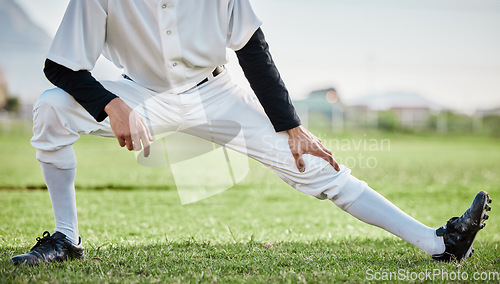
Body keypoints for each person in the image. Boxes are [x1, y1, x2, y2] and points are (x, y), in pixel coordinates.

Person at [11, 0, 491, 265]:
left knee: (315, 167)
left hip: (219, 93)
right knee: (51, 109)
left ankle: (439, 242)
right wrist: (113, 104)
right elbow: (60, 65)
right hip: (141, 95)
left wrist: (292, 126)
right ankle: (66, 239)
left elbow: (253, 50)